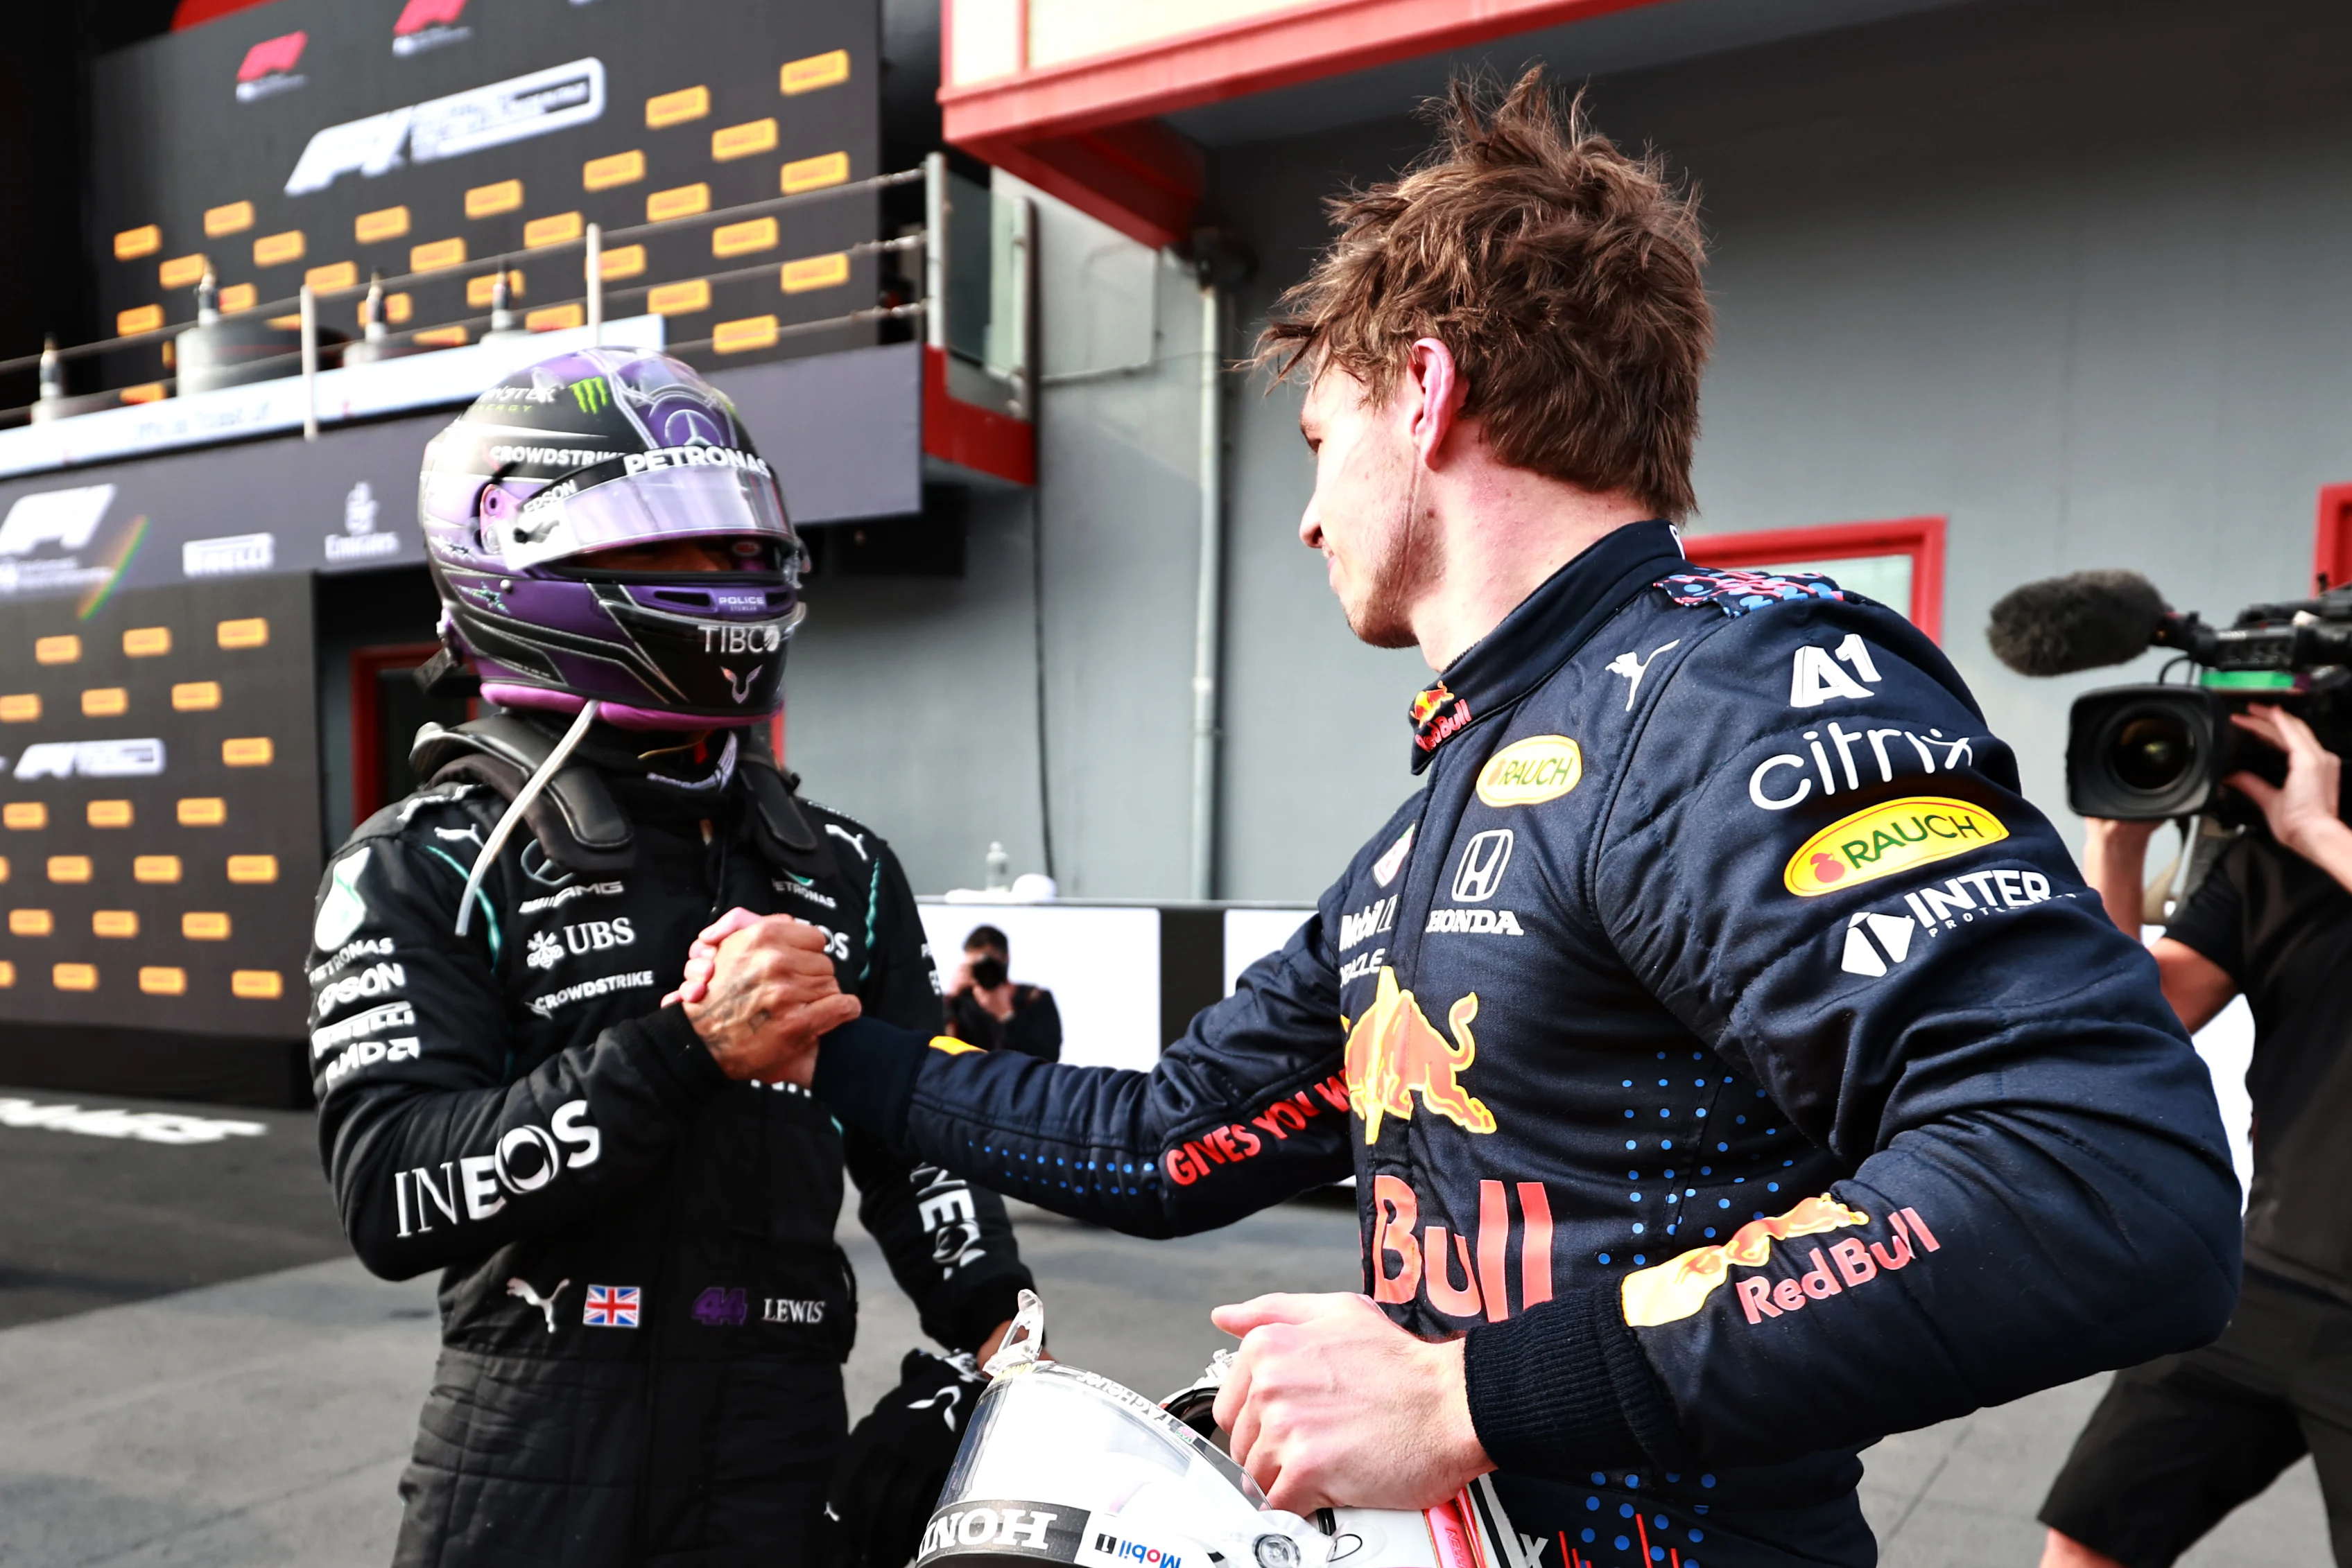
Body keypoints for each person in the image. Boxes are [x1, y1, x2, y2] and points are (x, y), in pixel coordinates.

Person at [674, 73, 2240, 1568]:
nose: (1302, 517)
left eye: (1314, 443)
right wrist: (828, 1052)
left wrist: (1463, 1397)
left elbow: (2097, 1180)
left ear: (1422, 392)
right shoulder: (1465, 795)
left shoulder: (1730, 691)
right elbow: (1167, 1143)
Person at [306, 348, 1030, 1567]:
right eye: (673, 547)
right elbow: (389, 1192)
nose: (730, 580)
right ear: (519, 561)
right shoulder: (424, 859)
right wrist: (684, 1050)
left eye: (745, 548)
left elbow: (919, 1146)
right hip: (531, 1450)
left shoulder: (843, 865)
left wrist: (1000, 1340)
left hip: (781, 1440)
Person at [2038, 702, 2352, 1568]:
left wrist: (2322, 833)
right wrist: (2119, 844)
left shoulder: (2314, 842)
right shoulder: (2273, 863)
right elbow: (2129, 1019)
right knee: (2088, 1536)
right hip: (2262, 1282)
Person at [945, 924, 1062, 1061]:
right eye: (976, 967)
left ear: (1006, 959)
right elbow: (940, 1052)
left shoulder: (1035, 999)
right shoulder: (960, 1004)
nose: (984, 973)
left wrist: (1007, 1017)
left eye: (989, 966)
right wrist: (949, 1001)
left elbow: (1049, 1058)